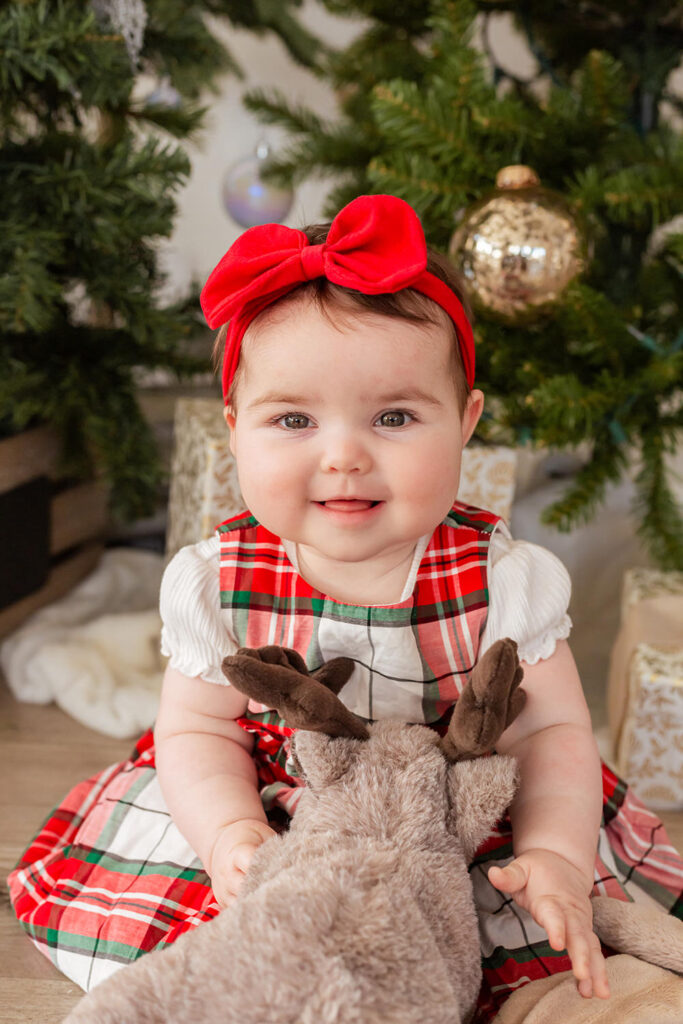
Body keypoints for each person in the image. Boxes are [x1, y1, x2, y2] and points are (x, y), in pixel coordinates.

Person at [9, 194, 683, 1023]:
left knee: (531, 935)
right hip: (276, 799)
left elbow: (548, 732)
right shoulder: (213, 578)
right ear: (233, 431)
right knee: (246, 953)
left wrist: (551, 853)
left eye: (393, 417)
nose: (342, 457)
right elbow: (197, 729)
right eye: (292, 418)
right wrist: (229, 835)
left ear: (465, 423)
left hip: (455, 814)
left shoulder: (503, 577)